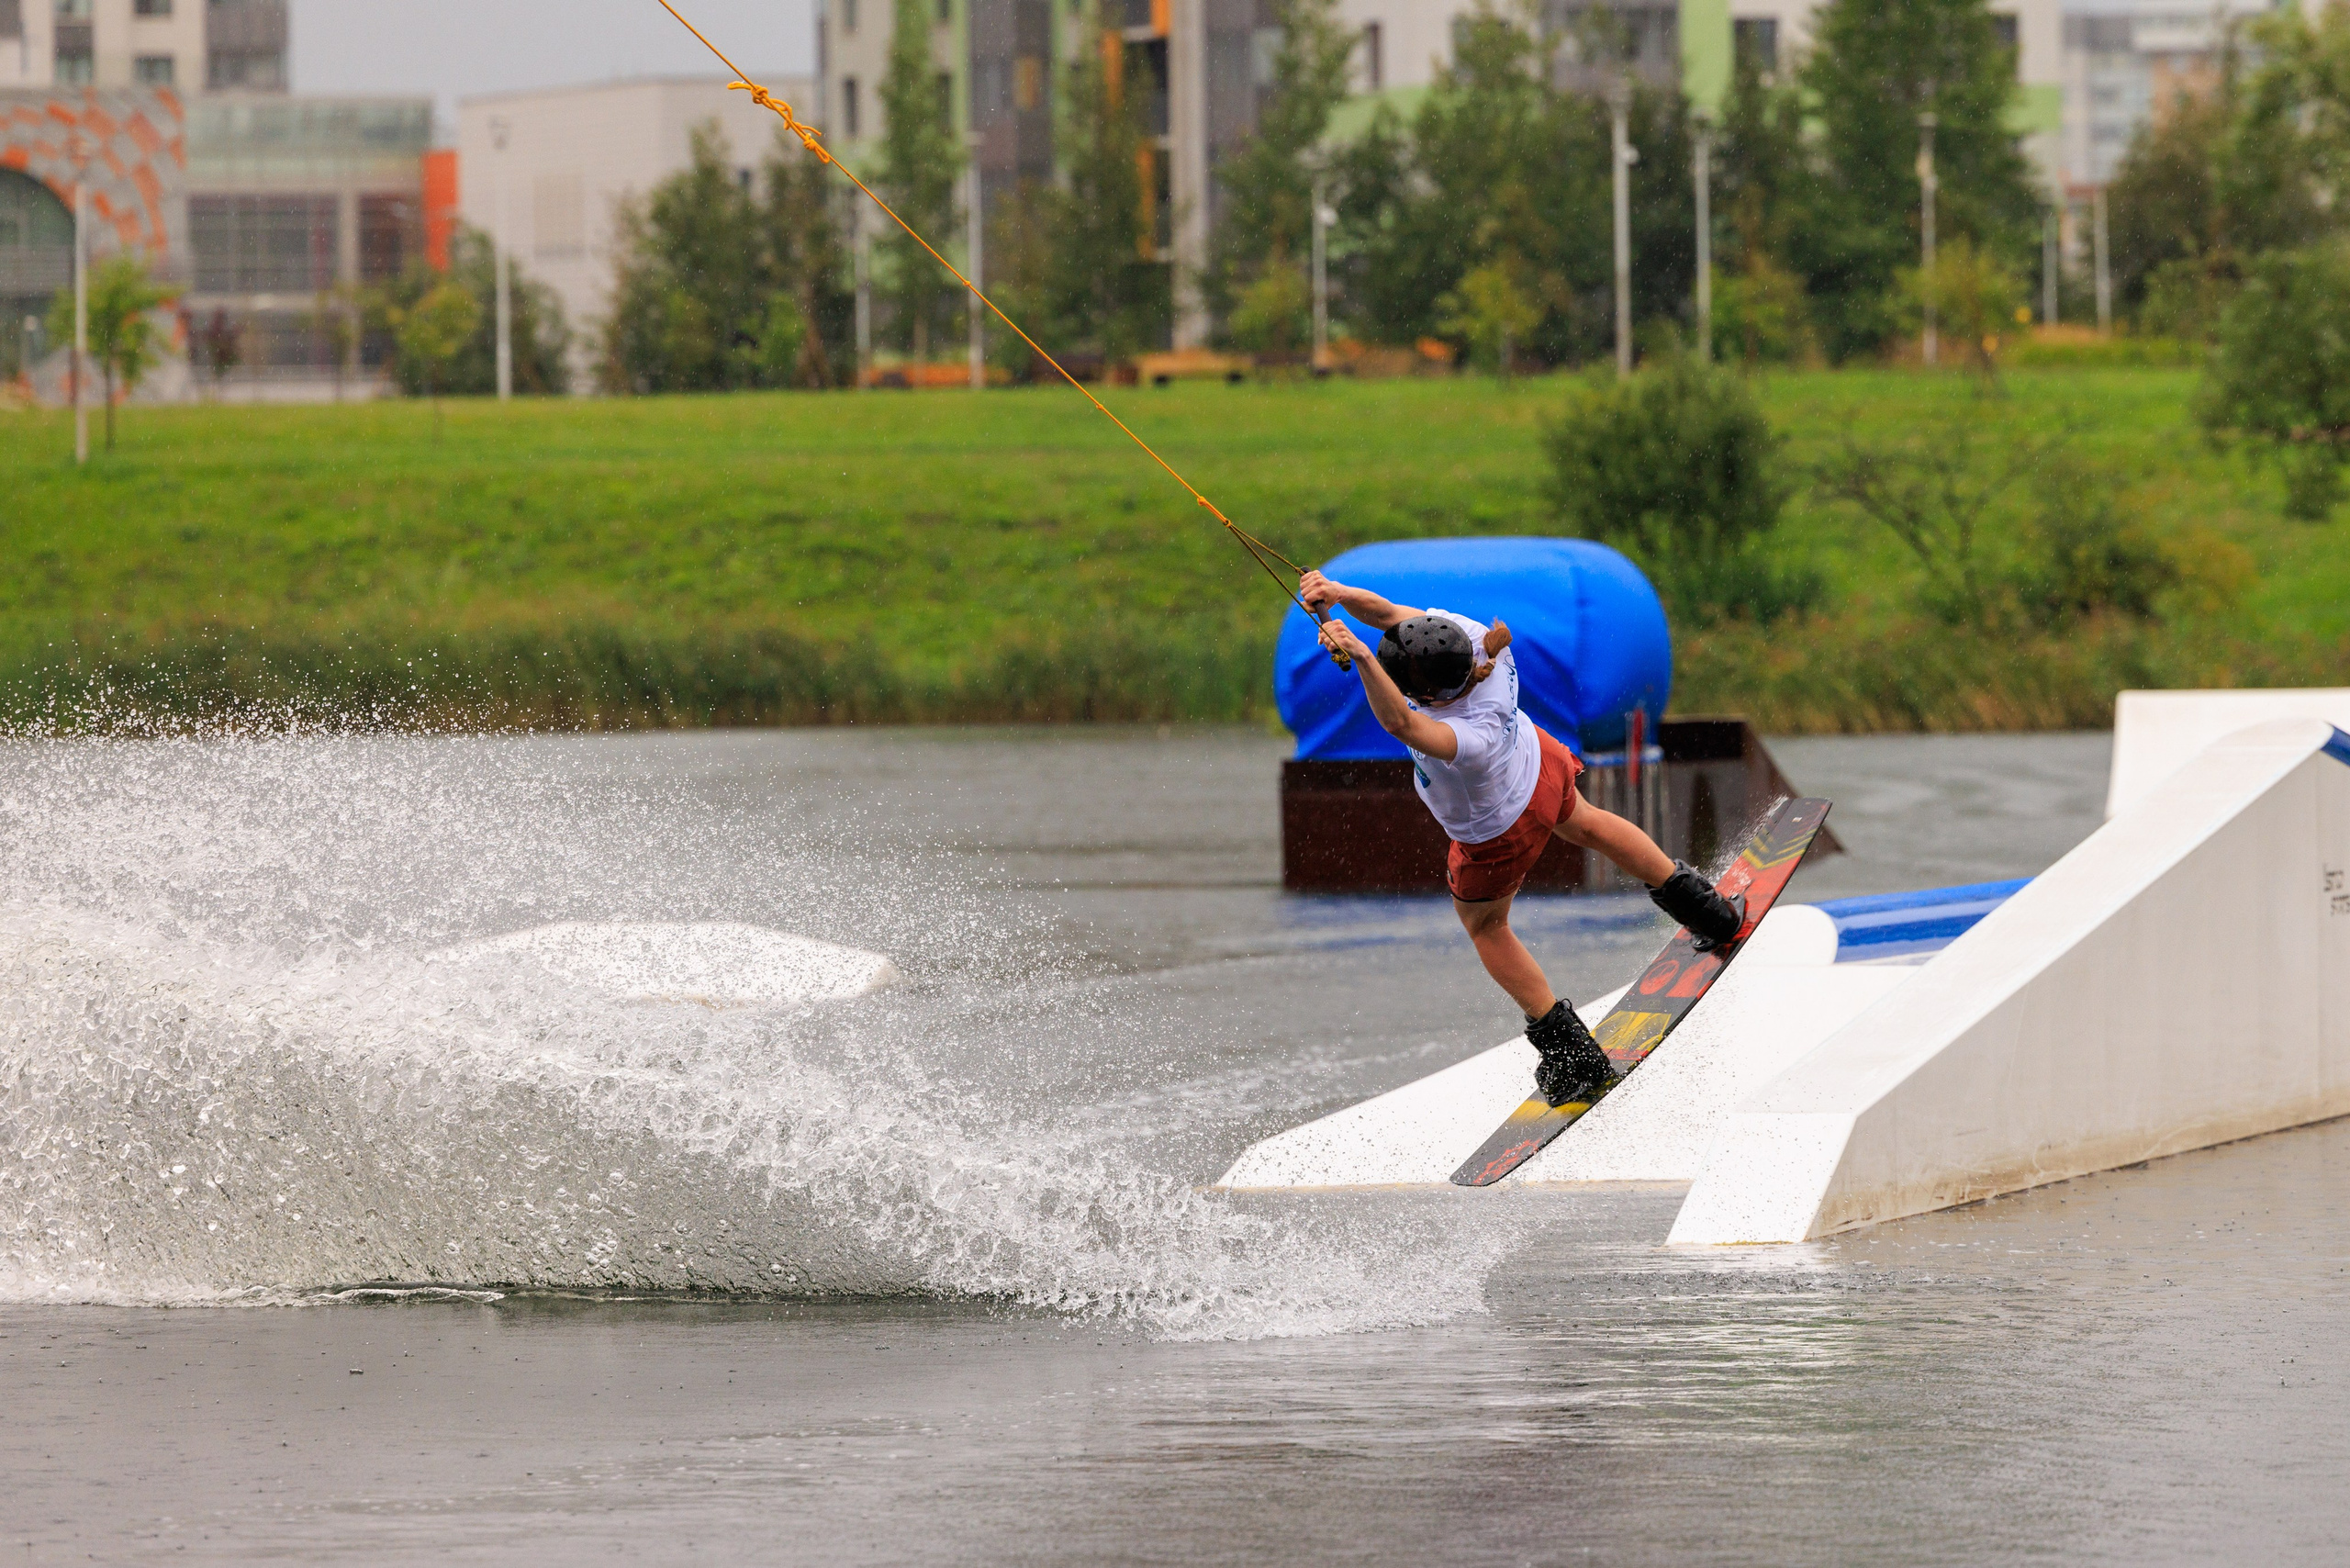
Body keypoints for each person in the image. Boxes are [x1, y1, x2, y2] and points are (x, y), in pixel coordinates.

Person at [1299, 569, 1744, 1106]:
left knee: (1487, 926)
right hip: (1541, 765)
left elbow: (1404, 727)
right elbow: (1391, 615)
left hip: (1498, 827)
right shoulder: (1468, 639)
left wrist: (1367, 660)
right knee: (1587, 821)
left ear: (1422, 693)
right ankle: (1710, 912)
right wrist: (1340, 596)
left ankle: (1573, 1058)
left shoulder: (1470, 734)